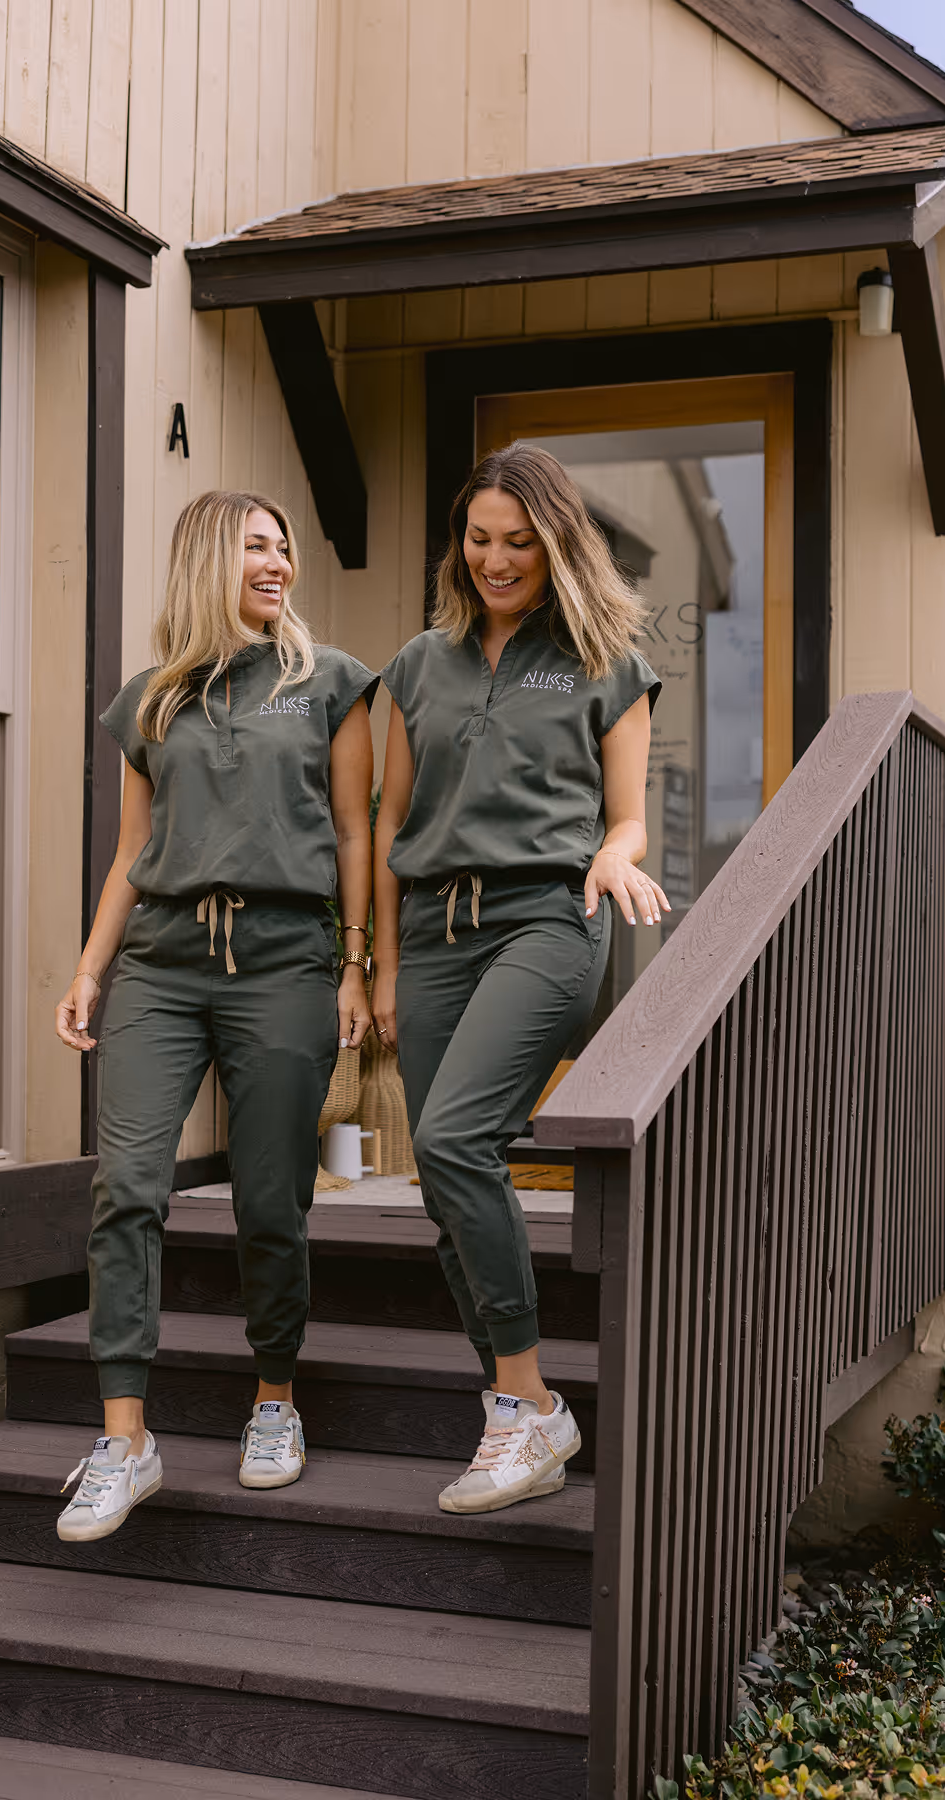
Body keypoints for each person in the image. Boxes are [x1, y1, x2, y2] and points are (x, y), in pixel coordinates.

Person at [53, 490, 376, 1542]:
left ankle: (275, 1400)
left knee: (271, 1199)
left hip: (283, 963)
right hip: (161, 966)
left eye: (284, 548)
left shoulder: (328, 682)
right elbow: (132, 851)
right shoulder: (151, 700)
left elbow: (354, 833)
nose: (277, 563)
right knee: (126, 1188)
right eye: (255, 547)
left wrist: (355, 965)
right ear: (207, 561)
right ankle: (123, 1438)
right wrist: (90, 968)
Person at [372, 442, 665, 1516]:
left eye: (519, 544)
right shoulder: (419, 664)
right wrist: (380, 968)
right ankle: (517, 1413)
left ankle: (528, 1405)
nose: (494, 561)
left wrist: (614, 855)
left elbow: (628, 818)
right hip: (431, 930)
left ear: (557, 546)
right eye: (479, 540)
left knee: (455, 1138)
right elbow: (390, 822)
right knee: (447, 1180)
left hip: (547, 916)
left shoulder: (604, 660)